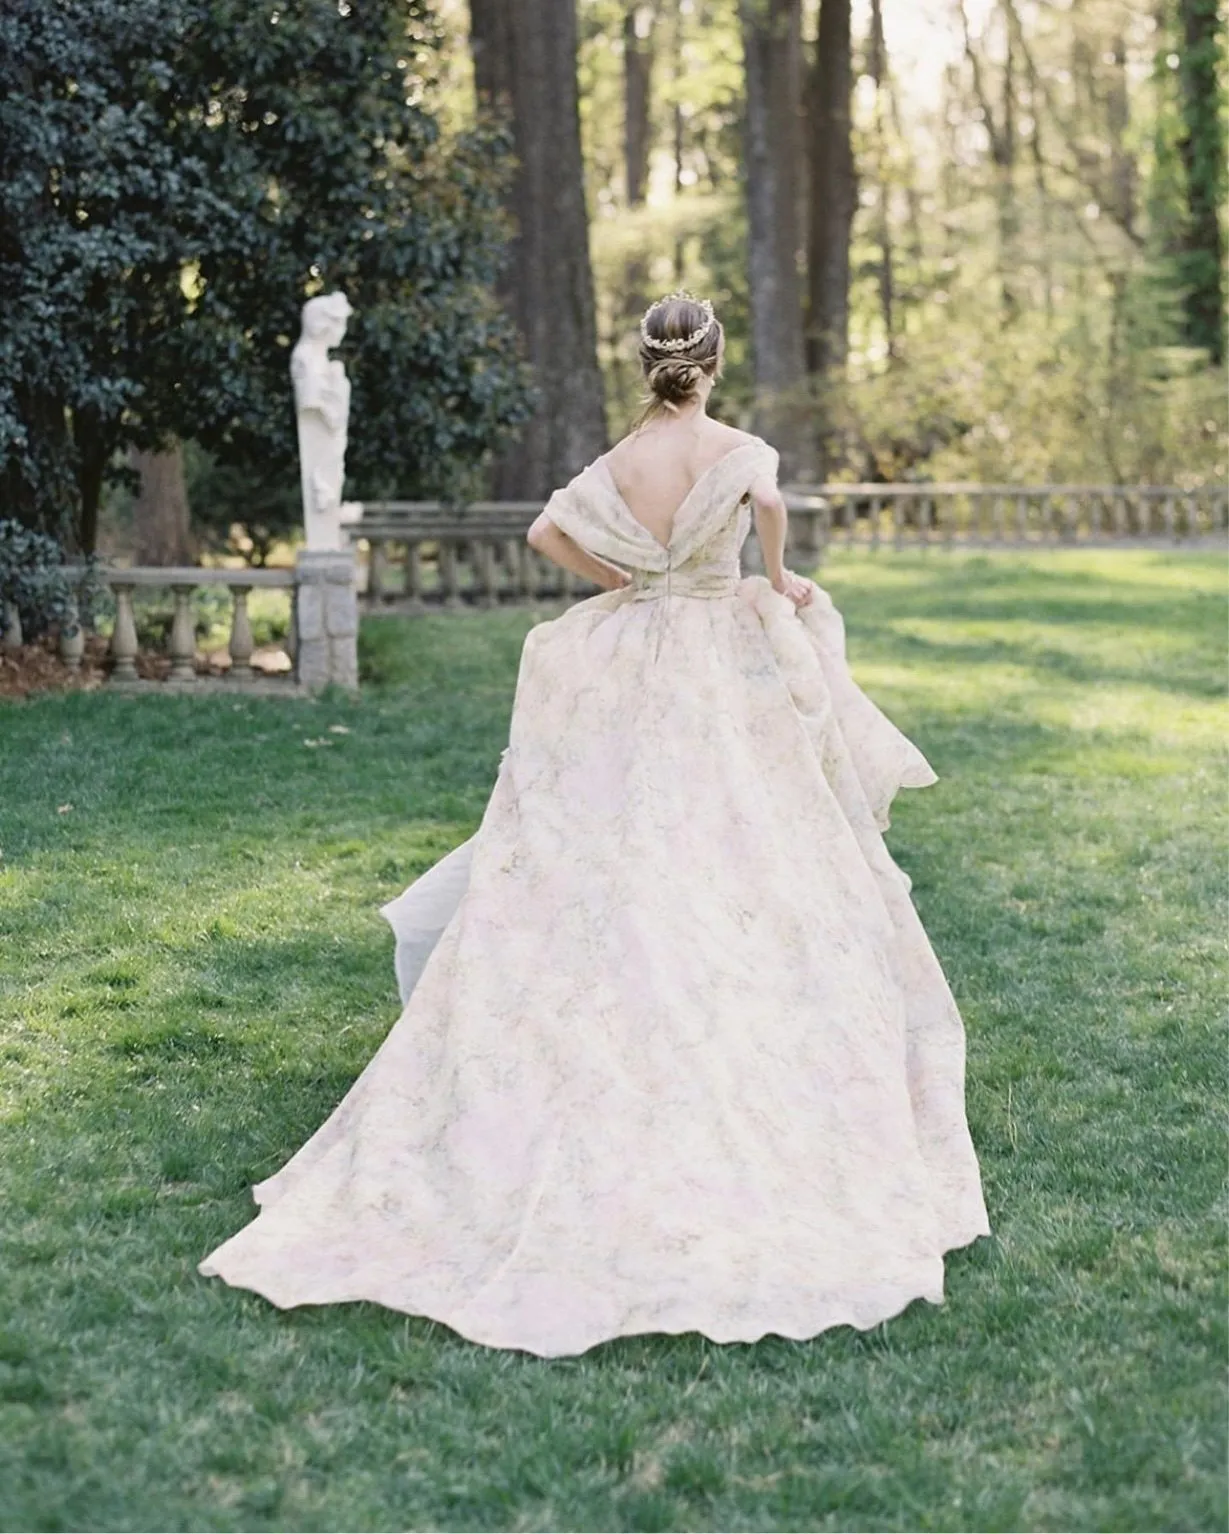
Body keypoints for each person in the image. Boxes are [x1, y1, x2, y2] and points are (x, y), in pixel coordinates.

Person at [199, 291, 992, 1358]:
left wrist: (623, 575)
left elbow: (541, 531)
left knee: (617, 838)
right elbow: (767, 518)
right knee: (740, 845)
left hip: (635, 654)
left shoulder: (618, 462)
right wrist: (776, 576)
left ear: (647, 366)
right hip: (715, 654)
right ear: (709, 363)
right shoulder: (740, 449)